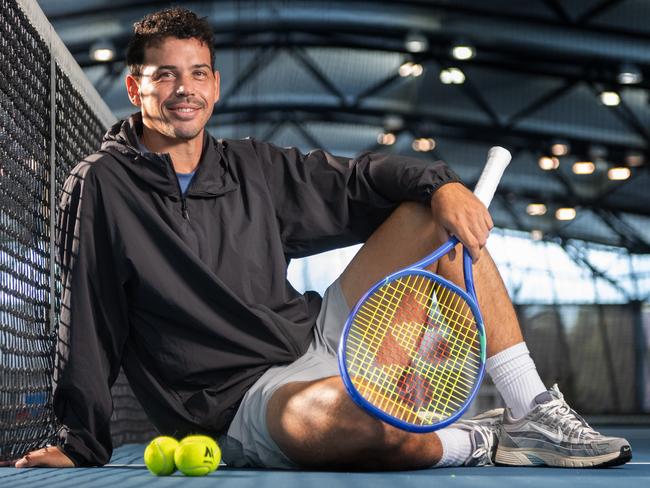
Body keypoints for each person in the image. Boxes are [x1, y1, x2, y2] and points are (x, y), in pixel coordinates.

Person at [11, 7, 631, 470]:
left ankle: (528, 411)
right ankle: (477, 441)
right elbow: (88, 313)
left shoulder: (251, 165)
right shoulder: (100, 186)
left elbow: (363, 181)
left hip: (316, 334)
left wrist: (441, 185)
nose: (184, 90)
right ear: (136, 87)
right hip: (245, 400)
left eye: (198, 73)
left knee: (431, 215)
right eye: (165, 75)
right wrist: (80, 441)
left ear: (216, 86)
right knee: (362, 422)